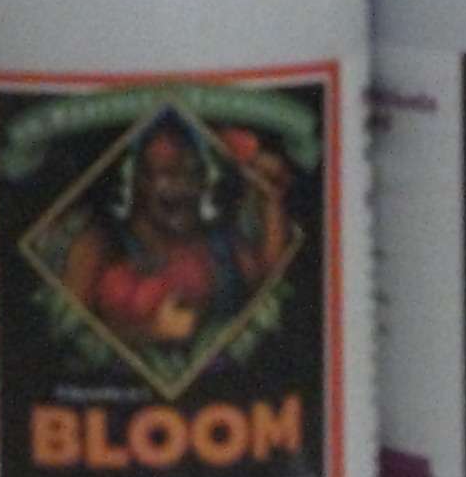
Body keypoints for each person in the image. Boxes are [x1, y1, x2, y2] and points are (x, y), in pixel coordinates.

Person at [60, 116, 292, 356]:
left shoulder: (225, 245)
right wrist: (146, 331)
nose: (184, 187)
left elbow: (271, 292)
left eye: (193, 173)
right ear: (141, 181)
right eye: (169, 172)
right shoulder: (98, 245)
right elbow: (64, 334)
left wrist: (272, 202)